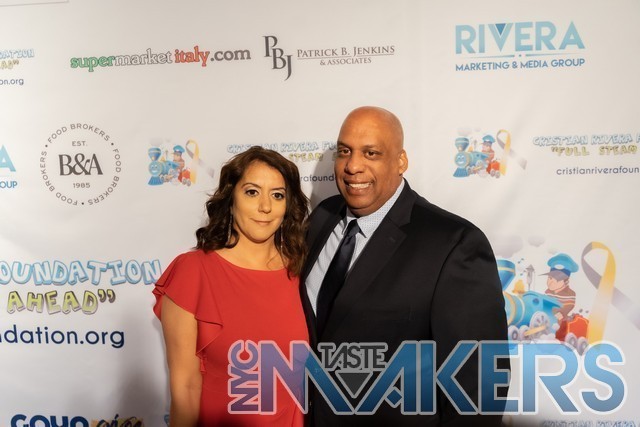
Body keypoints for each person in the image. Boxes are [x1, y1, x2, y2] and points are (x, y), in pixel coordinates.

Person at [301, 106, 509, 426]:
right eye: (345, 151)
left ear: (401, 161)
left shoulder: (454, 244)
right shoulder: (322, 218)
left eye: (371, 153)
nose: (353, 166)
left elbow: (478, 386)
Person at [153, 146, 309, 426]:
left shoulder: (302, 271)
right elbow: (186, 389)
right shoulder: (193, 272)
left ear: (288, 205)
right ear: (230, 197)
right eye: (252, 192)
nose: (265, 206)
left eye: (277, 195)